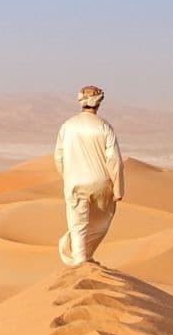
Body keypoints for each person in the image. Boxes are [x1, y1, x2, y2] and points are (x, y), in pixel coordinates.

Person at [54, 85, 125, 267]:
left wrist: (67, 177)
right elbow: (114, 160)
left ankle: (80, 259)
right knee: (101, 220)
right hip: (102, 183)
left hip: (75, 183)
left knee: (78, 224)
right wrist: (118, 188)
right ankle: (83, 260)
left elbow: (58, 157)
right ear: (99, 102)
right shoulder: (104, 127)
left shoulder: (67, 126)